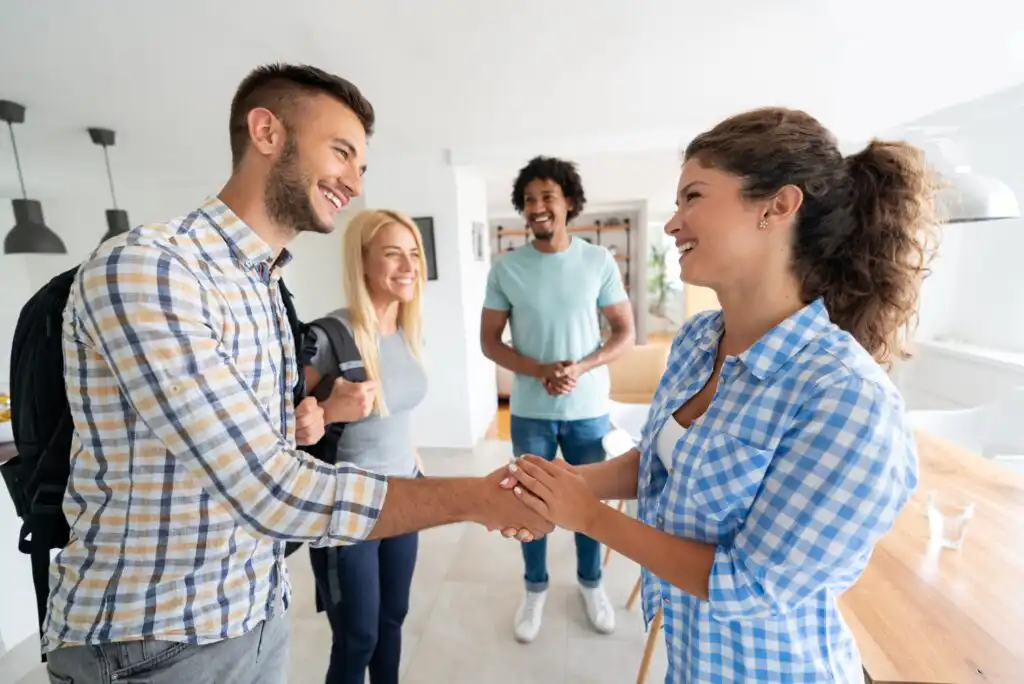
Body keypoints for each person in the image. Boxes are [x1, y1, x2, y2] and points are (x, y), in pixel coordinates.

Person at [45, 62, 551, 684]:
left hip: (257, 607)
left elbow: (263, 442)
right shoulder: (150, 269)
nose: (353, 183)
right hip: (154, 640)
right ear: (266, 132)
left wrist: (307, 422)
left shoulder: (265, 289)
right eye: (341, 152)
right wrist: (473, 497)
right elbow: (268, 487)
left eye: (361, 166)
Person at [502, 107, 938, 683]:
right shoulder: (697, 341)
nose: (672, 223)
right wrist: (555, 485)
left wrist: (586, 516)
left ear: (777, 206)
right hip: (692, 662)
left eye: (693, 197)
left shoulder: (846, 399)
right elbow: (659, 462)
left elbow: (752, 585)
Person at [481, 155, 636, 642]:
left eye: (547, 197)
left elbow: (625, 331)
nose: (537, 207)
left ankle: (591, 584)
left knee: (587, 505)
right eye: (529, 200)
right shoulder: (507, 269)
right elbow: (490, 342)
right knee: (529, 504)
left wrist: (581, 366)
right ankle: (535, 588)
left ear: (569, 203)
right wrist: (539, 371)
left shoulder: (598, 261)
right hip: (530, 414)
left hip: (588, 411)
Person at [304, 208, 428, 684]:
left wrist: (414, 463)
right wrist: (330, 411)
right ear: (362, 262)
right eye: (392, 254)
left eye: (413, 253)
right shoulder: (327, 336)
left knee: (392, 621)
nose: (408, 265)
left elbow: (399, 413)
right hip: (348, 508)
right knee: (358, 637)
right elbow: (278, 427)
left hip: (405, 496)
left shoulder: (408, 330)